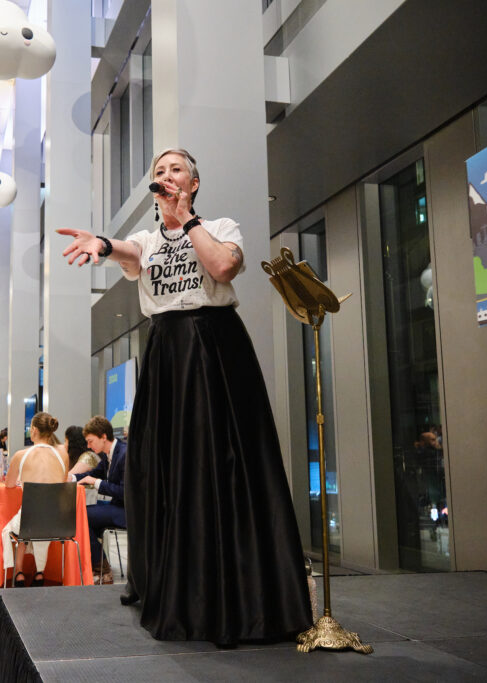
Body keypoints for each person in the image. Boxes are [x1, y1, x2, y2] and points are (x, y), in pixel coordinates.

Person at [58, 148, 313, 645]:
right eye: (159, 170)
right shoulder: (147, 240)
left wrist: (187, 219)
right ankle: (172, 585)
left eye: (175, 169)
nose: (166, 175)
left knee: (225, 462)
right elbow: (127, 251)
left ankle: (238, 594)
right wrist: (103, 244)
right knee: (165, 466)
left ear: (193, 182)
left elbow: (222, 268)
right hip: (168, 353)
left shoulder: (220, 226)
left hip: (215, 348)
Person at [2, 412, 69, 587]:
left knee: (17, 527)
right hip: (58, 522)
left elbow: (9, 484)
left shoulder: (21, 455)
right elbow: (62, 486)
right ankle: (40, 573)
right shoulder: (63, 455)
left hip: (30, 520)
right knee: (40, 522)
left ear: (34, 430)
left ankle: (18, 572)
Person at [73, 416, 126, 584]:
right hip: (116, 507)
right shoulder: (108, 455)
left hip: (128, 512)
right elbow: (91, 475)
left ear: (103, 437)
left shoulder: (124, 454)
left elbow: (125, 492)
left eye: (90, 441)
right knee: (82, 516)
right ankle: (100, 567)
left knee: (79, 516)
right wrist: (70, 478)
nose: (88, 446)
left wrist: (96, 483)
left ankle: (101, 568)